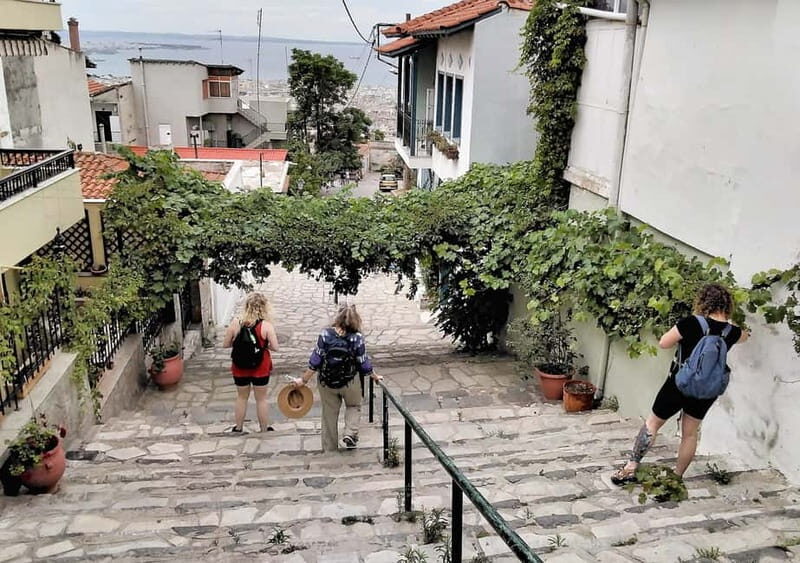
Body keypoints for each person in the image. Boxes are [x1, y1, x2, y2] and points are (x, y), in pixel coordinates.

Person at [611, 283, 750, 485]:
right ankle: (676, 478)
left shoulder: (692, 323)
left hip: (677, 384)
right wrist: (734, 327)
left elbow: (664, 342)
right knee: (690, 434)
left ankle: (631, 467)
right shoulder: (732, 332)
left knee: (652, 424)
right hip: (706, 391)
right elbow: (746, 336)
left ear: (704, 302)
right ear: (727, 305)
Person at [293, 304, 382, 451]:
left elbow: (315, 360)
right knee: (354, 406)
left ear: (338, 317)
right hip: (349, 381)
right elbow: (363, 362)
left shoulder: (325, 335)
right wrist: (375, 376)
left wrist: (303, 380)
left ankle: (330, 449)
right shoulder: (357, 338)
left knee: (329, 414)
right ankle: (350, 433)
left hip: (326, 382)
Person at [222, 292, 279, 433]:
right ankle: (264, 429)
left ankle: (239, 427)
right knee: (261, 399)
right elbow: (276, 347)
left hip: (240, 366)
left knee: (241, 397)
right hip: (261, 367)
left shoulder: (236, 323)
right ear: (264, 307)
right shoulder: (266, 326)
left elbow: (225, 344)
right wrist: (263, 346)